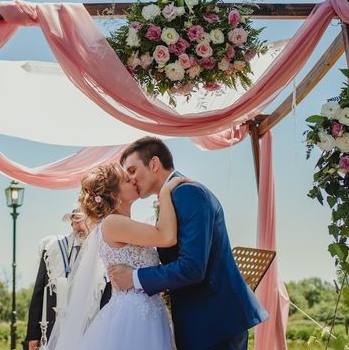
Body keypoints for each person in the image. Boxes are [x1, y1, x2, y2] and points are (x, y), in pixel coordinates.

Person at [108, 136, 269, 350]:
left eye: (132, 170)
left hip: (214, 323)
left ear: (154, 164)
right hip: (201, 321)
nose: (131, 179)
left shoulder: (188, 193)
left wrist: (135, 277)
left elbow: (192, 267)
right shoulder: (172, 196)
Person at [48, 163, 186, 350]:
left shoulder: (125, 224)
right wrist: (165, 191)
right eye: (126, 180)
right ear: (114, 195)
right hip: (133, 319)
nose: (133, 180)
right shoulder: (112, 223)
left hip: (148, 314)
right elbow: (166, 236)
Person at [24, 205, 89, 350]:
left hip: (86, 325)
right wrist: (33, 335)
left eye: (81, 220)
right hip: (52, 326)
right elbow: (39, 292)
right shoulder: (53, 248)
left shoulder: (100, 249)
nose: (78, 226)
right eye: (75, 221)